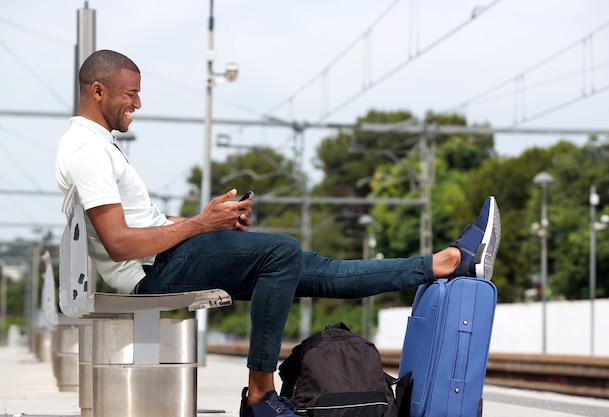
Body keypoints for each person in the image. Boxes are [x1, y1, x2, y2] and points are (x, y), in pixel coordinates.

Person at [55, 50, 501, 417]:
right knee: (281, 251)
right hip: (151, 274)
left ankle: (446, 262)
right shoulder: (88, 150)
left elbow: (138, 226)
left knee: (317, 271)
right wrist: (200, 225)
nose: (137, 104)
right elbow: (120, 242)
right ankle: (260, 394)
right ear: (99, 91)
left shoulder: (96, 147)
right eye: (131, 94)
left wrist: (208, 218)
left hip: (166, 258)